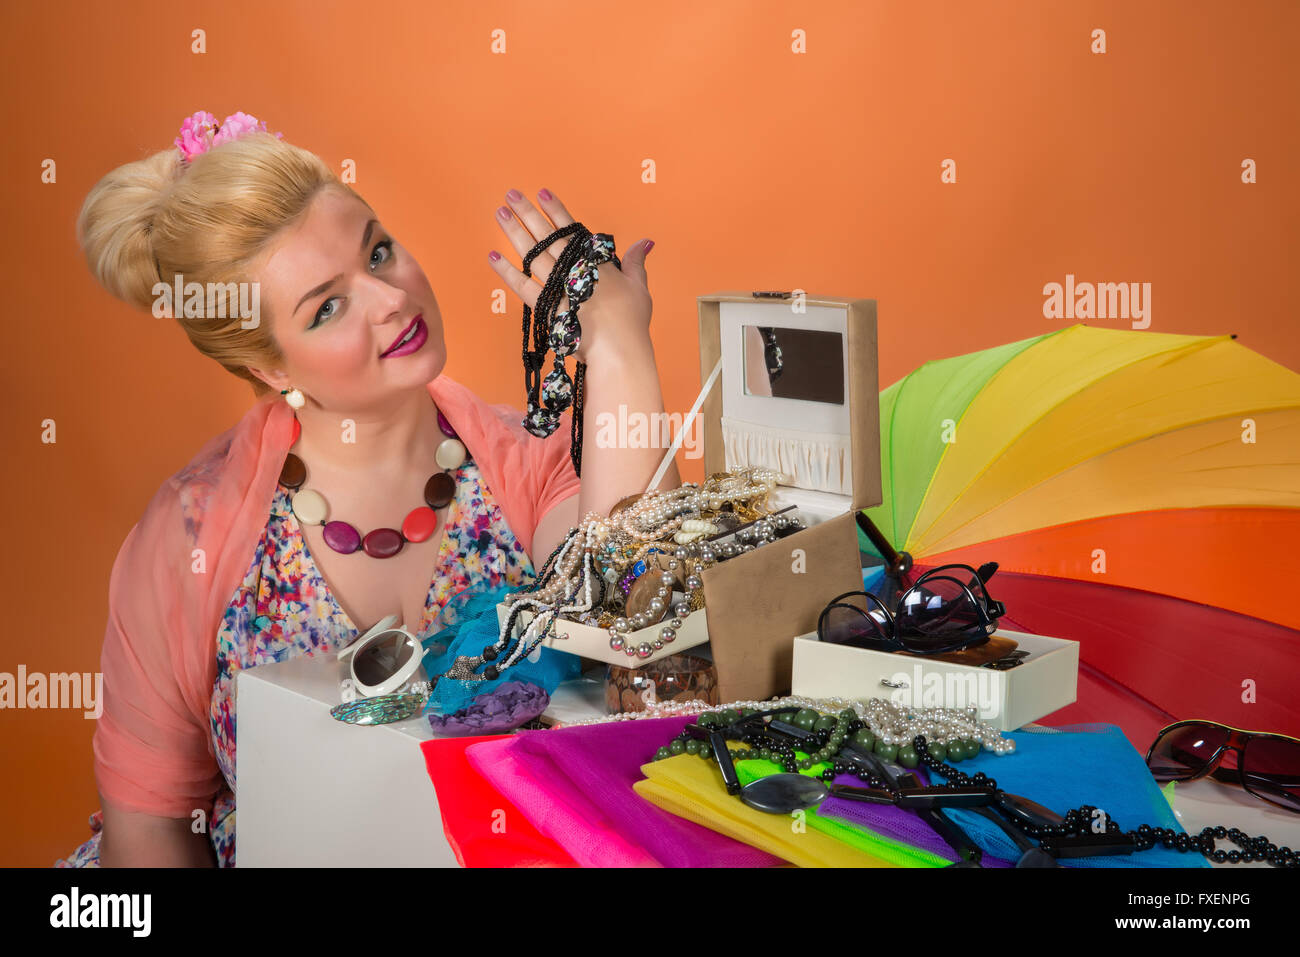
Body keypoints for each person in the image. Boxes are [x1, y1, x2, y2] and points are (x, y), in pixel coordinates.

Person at [56, 112, 678, 867]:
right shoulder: (188, 538)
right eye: (327, 307)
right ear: (271, 369)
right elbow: (150, 829)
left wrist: (617, 344)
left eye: (378, 250)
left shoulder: (529, 457)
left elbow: (645, 615)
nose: (391, 298)